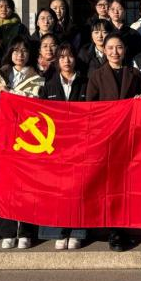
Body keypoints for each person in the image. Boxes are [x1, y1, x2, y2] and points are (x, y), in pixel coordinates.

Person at [0, 37, 44, 249]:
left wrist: (10, 94)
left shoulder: (38, 79)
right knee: (5, 186)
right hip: (3, 137)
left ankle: (26, 231)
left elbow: (34, 104)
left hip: (27, 139)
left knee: (27, 186)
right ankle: (7, 231)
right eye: (16, 50)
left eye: (24, 51)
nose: (20, 55)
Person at [86, 32, 141, 252]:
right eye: (110, 48)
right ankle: (113, 230)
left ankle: (125, 226)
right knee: (110, 184)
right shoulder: (96, 76)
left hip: (129, 137)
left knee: (127, 183)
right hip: (106, 138)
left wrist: (140, 101)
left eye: (119, 47)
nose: (114, 52)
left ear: (125, 50)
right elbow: (90, 107)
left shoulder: (134, 74)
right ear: (104, 50)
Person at [39, 43, 88, 250]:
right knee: (58, 189)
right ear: (57, 61)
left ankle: (77, 231)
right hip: (56, 145)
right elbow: (40, 115)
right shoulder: (48, 85)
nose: (66, 61)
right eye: (61, 57)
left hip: (81, 143)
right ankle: (59, 231)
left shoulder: (85, 82)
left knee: (79, 188)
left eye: (69, 57)